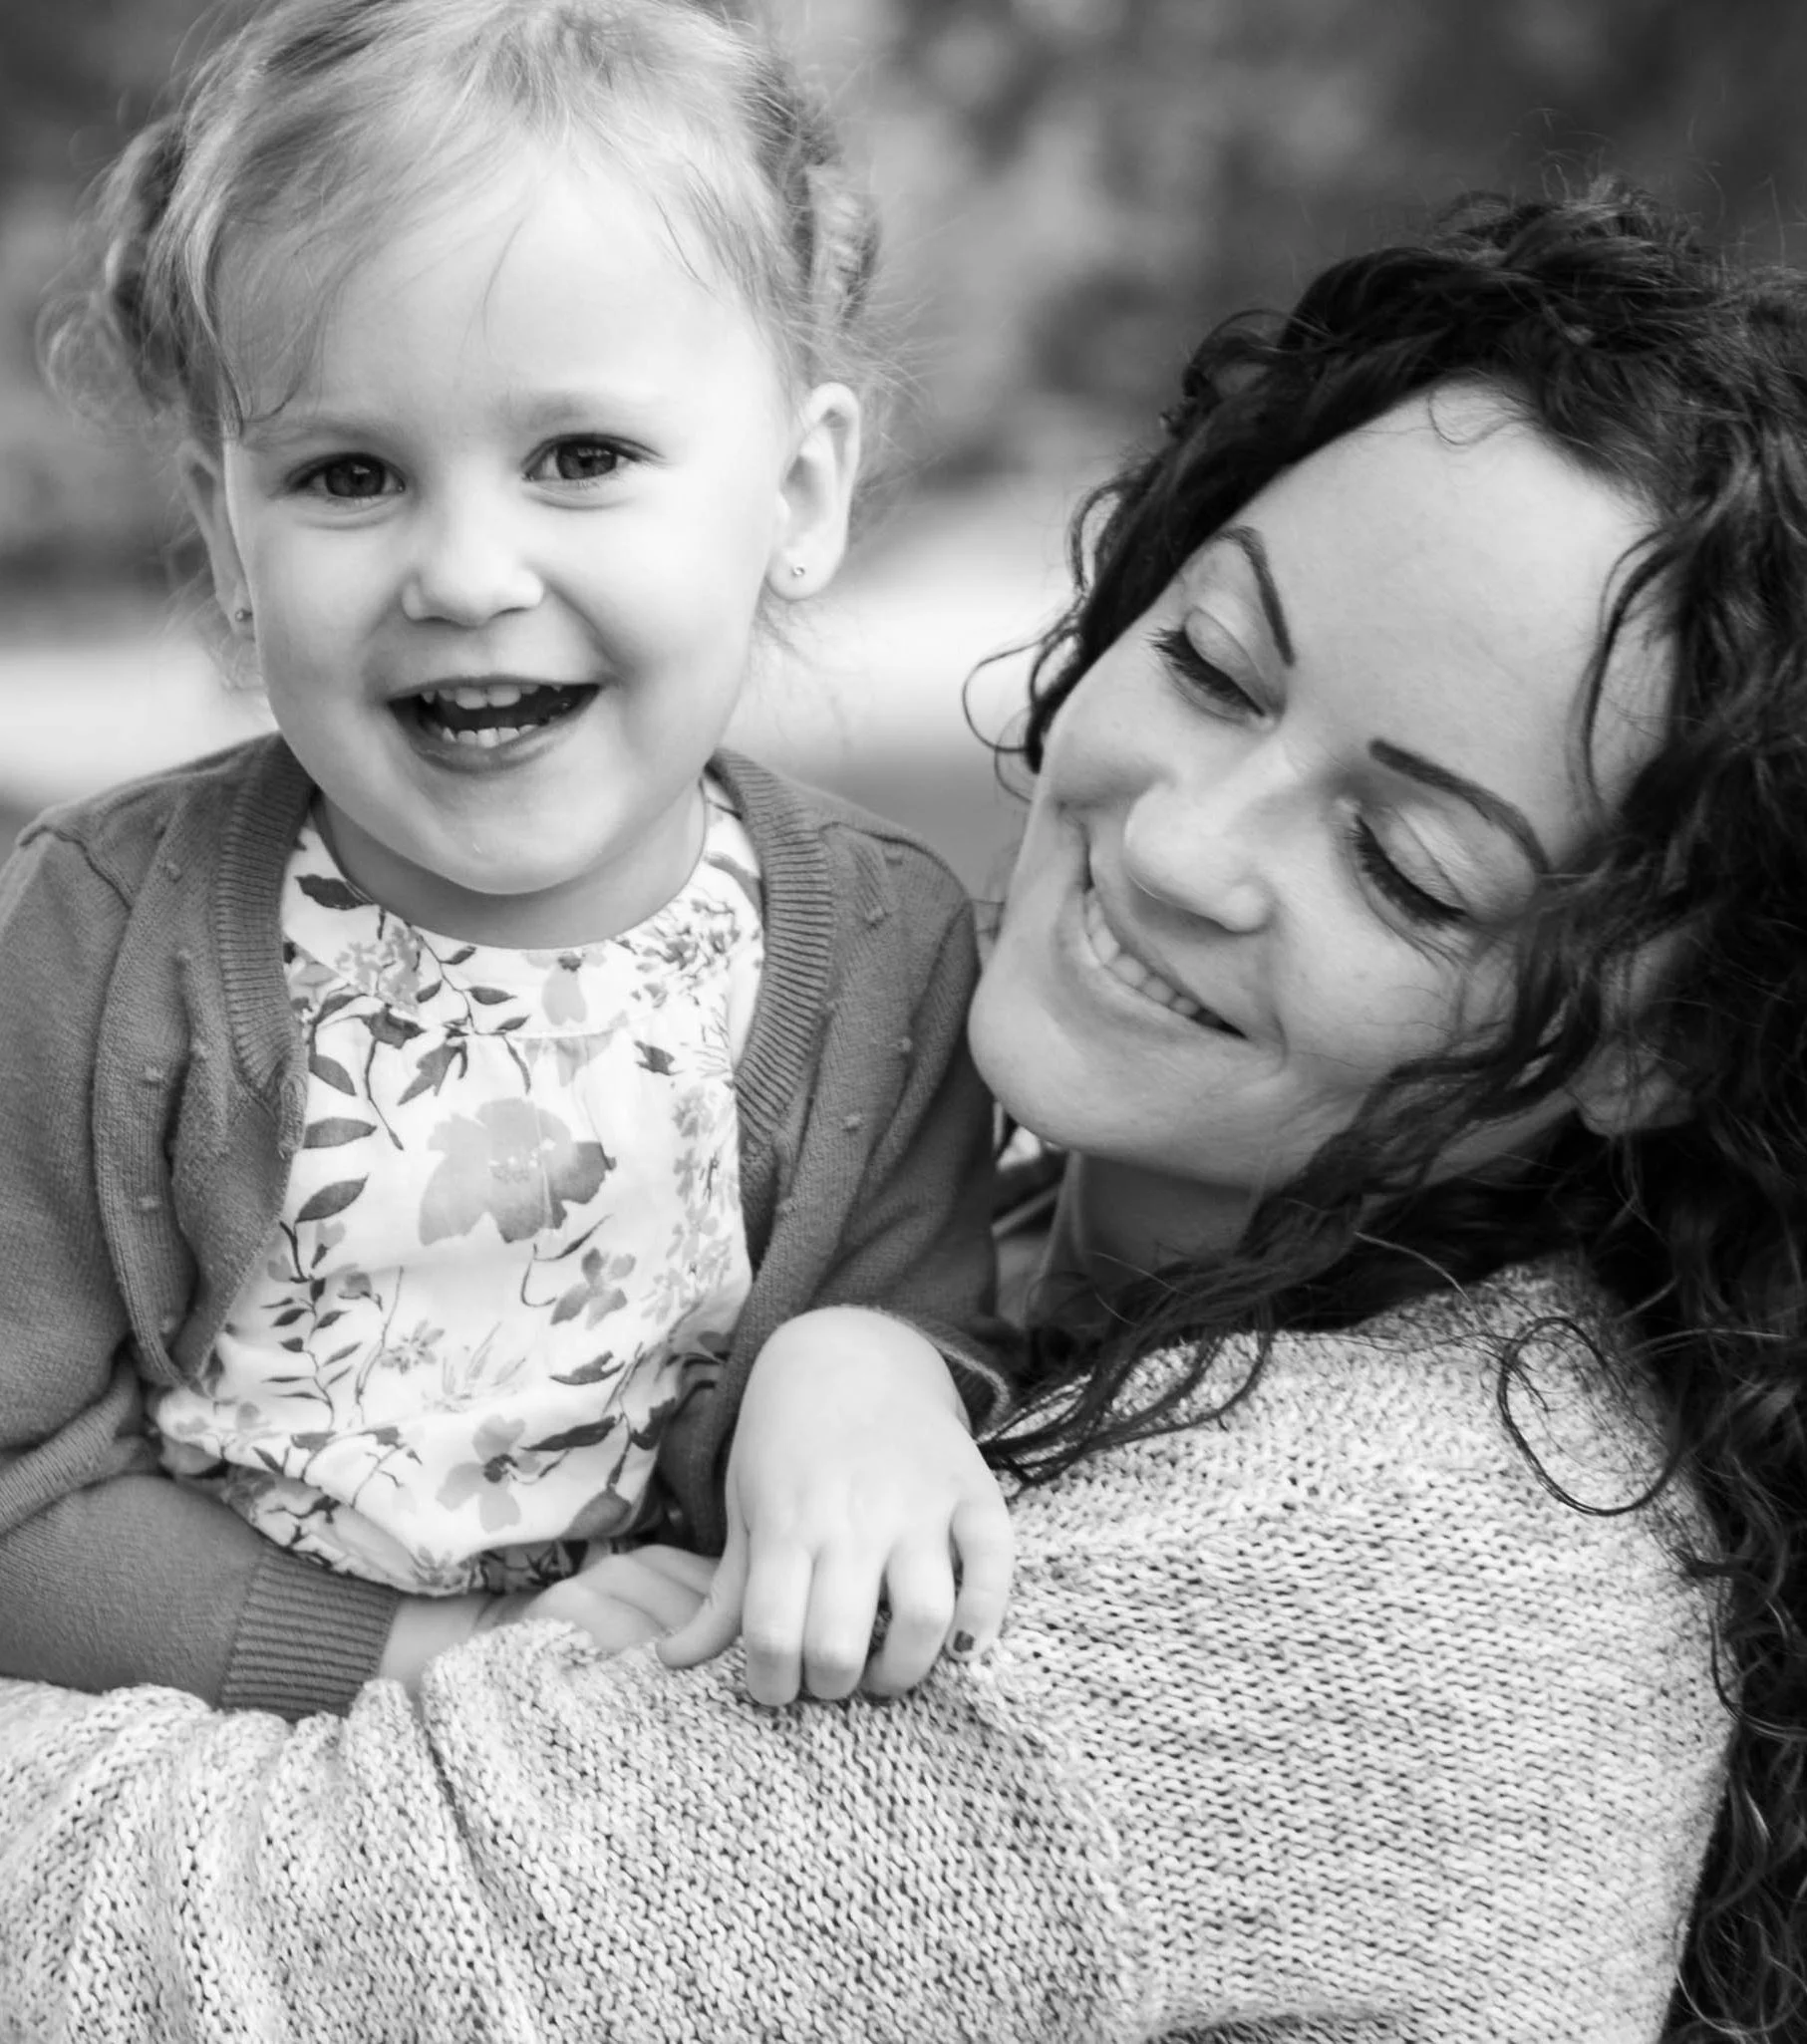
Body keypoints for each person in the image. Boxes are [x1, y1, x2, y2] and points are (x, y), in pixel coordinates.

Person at [4, 180, 1805, 2042]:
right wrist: (862, 1349)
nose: (1181, 840)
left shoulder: (1372, 1578)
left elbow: (191, 1951)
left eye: (1409, 865)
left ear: (1658, 1037)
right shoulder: (976, 1215)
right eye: (1210, 664)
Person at [0, 0, 1018, 1723]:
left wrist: (871, 1373)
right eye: (348, 472)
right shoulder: (106, 944)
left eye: (582, 457)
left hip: (646, 1813)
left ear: (798, 491)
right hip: (206, 1785)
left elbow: (935, 1356)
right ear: (228, 538)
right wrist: (441, 1663)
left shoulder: (879, 958)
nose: (467, 570)